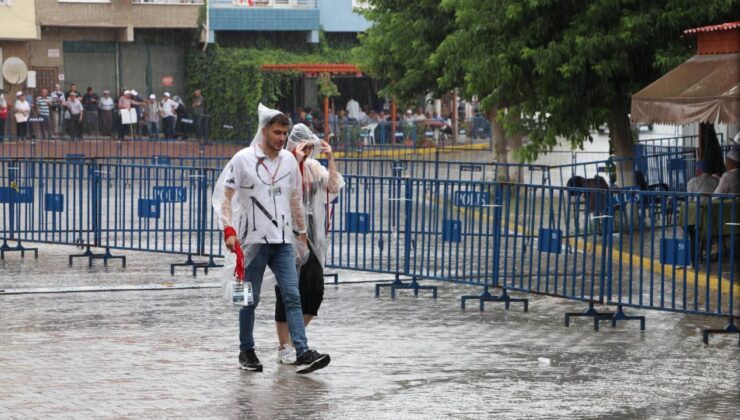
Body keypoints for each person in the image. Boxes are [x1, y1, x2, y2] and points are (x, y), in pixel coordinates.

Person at [212, 104, 331, 374]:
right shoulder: (242, 159)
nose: (281, 138)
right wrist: (228, 229)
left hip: (282, 241)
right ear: (264, 131)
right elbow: (225, 198)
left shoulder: (289, 161)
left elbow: (294, 199)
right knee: (248, 297)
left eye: (285, 133)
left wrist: (301, 233)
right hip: (251, 241)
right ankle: (246, 349)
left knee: (292, 294)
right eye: (277, 132)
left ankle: (302, 351)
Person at [273, 124, 344, 364]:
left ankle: (297, 336)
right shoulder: (283, 165)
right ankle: (285, 346)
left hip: (312, 235)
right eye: (304, 146)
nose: (308, 151)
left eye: (310, 147)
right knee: (286, 291)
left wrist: (331, 158)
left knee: (315, 290)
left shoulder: (314, 168)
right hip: (286, 233)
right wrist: (296, 160)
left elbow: (333, 187)